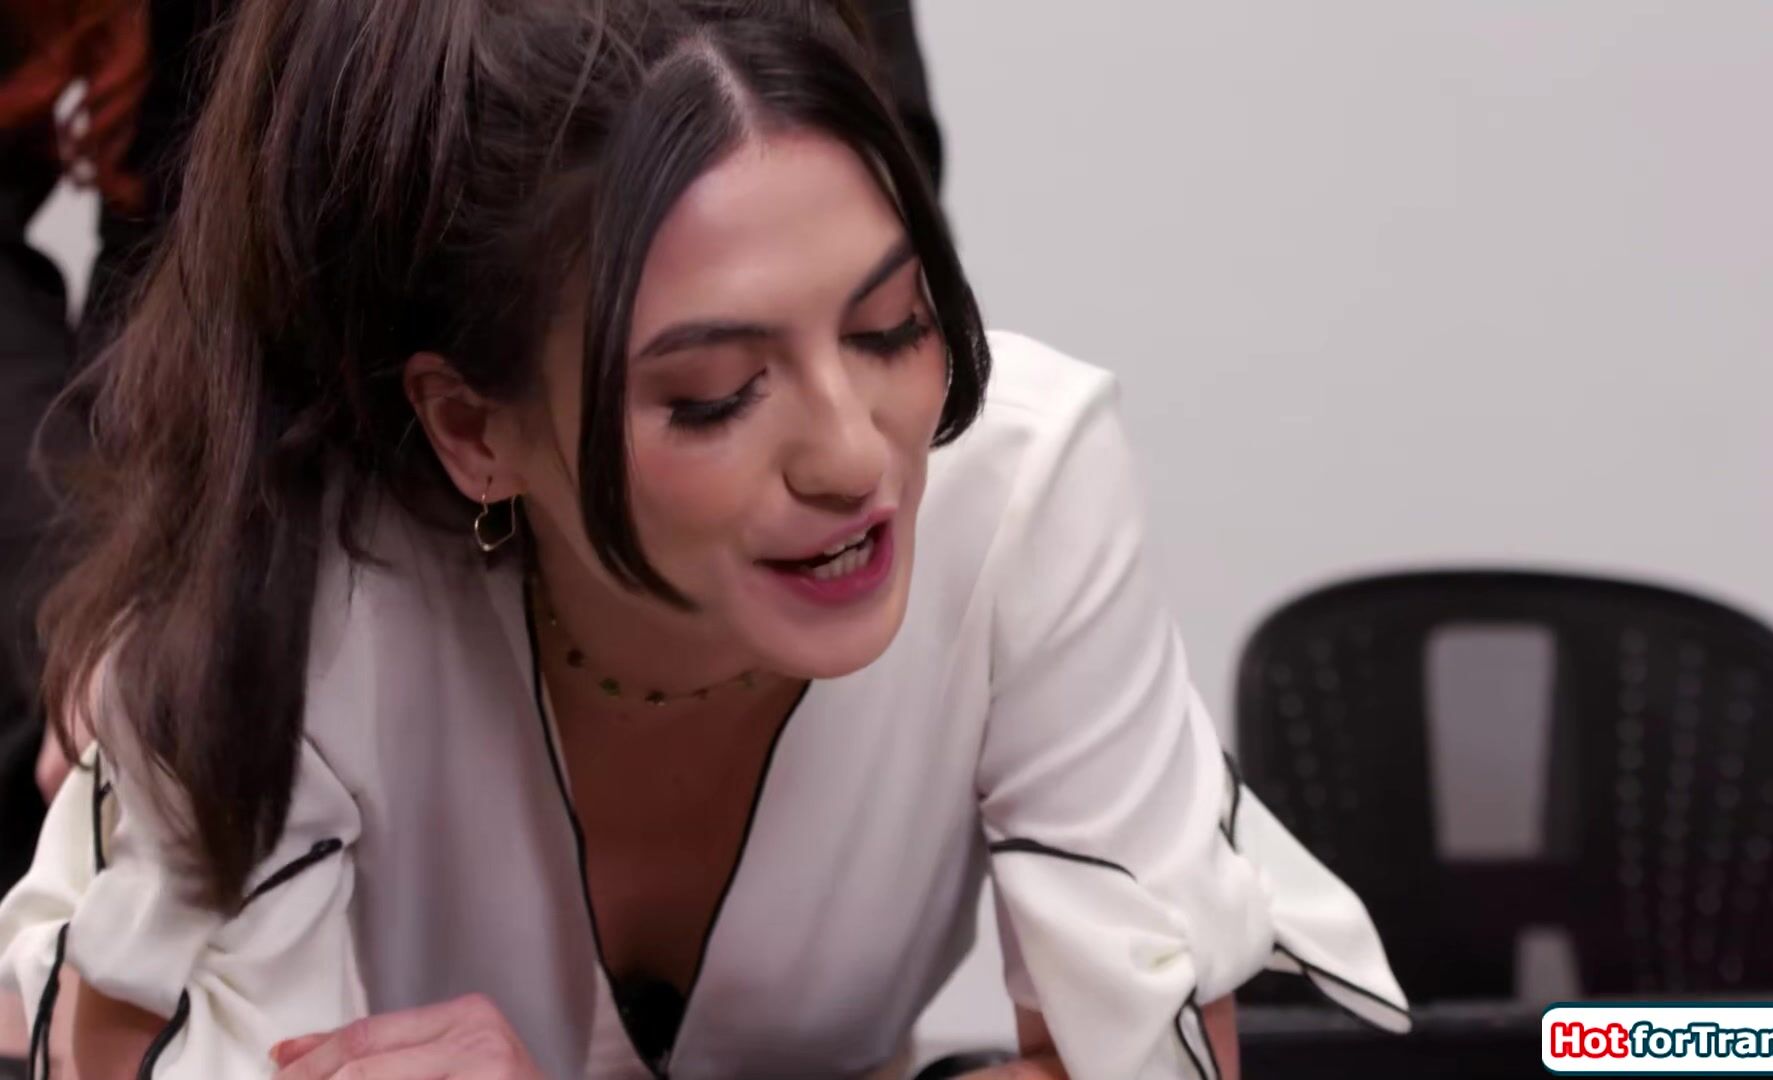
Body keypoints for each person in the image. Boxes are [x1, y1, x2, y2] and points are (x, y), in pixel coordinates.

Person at [0, 1, 1408, 1077]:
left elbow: (1152, 1061)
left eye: (894, 325)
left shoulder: (1024, 488)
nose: (856, 455)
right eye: (717, 393)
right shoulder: (299, 583)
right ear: (473, 428)